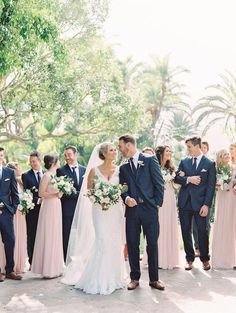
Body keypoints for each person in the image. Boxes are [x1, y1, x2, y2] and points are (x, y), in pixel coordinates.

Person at [62, 143, 125, 295]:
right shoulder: (93, 171)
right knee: (102, 240)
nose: (115, 152)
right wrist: (100, 200)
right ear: (104, 153)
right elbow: (89, 192)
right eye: (112, 150)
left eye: (115, 150)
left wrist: (113, 199)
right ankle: (99, 279)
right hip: (99, 210)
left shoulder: (120, 170)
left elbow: (124, 188)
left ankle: (114, 276)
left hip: (115, 210)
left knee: (115, 241)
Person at [119, 135, 165, 291]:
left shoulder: (150, 160)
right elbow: (122, 189)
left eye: (121, 146)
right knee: (132, 244)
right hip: (132, 212)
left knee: (152, 244)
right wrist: (126, 199)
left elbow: (159, 183)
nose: (120, 149)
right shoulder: (123, 167)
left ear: (129, 145)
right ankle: (134, 278)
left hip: (149, 210)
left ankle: (154, 279)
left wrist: (156, 204)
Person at [175, 136, 216, 271]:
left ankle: (205, 259)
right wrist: (188, 179)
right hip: (184, 203)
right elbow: (177, 178)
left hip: (201, 204)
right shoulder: (184, 161)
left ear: (197, 146)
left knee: (203, 232)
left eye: (189, 147)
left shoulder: (209, 163)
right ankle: (189, 259)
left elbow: (210, 187)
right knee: (185, 231)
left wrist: (206, 205)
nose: (188, 150)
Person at [31, 155, 64, 278]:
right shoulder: (47, 176)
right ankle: (48, 269)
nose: (60, 162)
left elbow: (58, 194)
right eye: (58, 160)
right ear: (52, 162)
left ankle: (56, 267)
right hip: (49, 206)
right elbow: (41, 193)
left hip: (56, 205)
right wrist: (55, 193)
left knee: (56, 234)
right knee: (49, 234)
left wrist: (60, 193)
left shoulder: (56, 176)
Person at [57, 146, 86, 261]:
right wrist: (81, 194)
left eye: (69, 154)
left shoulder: (85, 170)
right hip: (67, 207)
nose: (67, 157)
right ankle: (65, 260)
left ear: (76, 154)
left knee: (83, 234)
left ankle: (83, 257)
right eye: (65, 155)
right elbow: (64, 192)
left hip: (82, 208)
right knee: (66, 234)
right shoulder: (61, 171)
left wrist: (84, 194)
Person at [211, 149, 236, 269]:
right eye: (224, 154)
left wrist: (233, 182)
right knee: (222, 223)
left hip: (232, 197)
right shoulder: (216, 169)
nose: (227, 156)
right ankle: (220, 258)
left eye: (228, 154)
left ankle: (233, 259)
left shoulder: (234, 168)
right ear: (220, 157)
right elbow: (213, 183)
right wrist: (220, 183)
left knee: (232, 225)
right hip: (222, 197)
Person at [0, 147, 21, 282]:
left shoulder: (9, 172)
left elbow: (15, 194)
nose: (0, 157)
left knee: (10, 240)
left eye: (1, 155)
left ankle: (10, 270)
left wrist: (12, 209)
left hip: (6, 213)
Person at [22, 152, 43, 266]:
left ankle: (43, 260)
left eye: (34, 161)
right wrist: (38, 200)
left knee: (44, 234)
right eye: (30, 162)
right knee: (32, 235)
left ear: (40, 161)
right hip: (33, 211)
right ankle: (32, 261)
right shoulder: (26, 175)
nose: (32, 164)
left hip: (47, 210)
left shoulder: (47, 173)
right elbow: (26, 193)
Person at [7, 162, 27, 273]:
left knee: (20, 238)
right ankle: (11, 265)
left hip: (21, 214)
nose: (20, 169)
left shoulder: (20, 182)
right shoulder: (8, 181)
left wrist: (25, 204)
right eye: (19, 167)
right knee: (12, 238)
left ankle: (19, 264)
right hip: (13, 214)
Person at [193, 140, 210, 257]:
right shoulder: (191, 161)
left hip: (204, 200)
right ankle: (197, 247)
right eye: (201, 147)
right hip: (192, 200)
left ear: (207, 149)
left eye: (205, 147)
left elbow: (210, 184)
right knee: (194, 226)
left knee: (205, 226)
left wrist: (207, 203)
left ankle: (205, 250)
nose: (203, 149)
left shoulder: (210, 163)